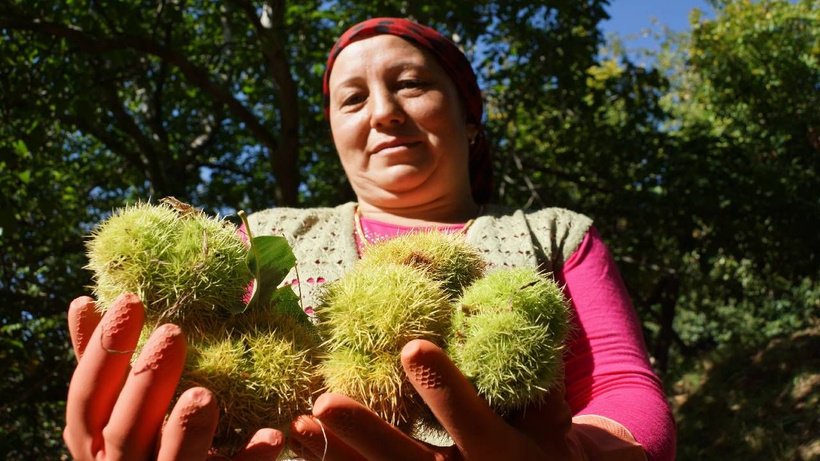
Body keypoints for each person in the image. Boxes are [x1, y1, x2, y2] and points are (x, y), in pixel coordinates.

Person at [63, 17, 676, 461]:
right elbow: (196, 344)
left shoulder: (551, 234)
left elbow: (622, 386)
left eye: (410, 84)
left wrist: (588, 453)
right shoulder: (261, 234)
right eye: (351, 98)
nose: (383, 111)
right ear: (333, 131)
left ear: (467, 114)